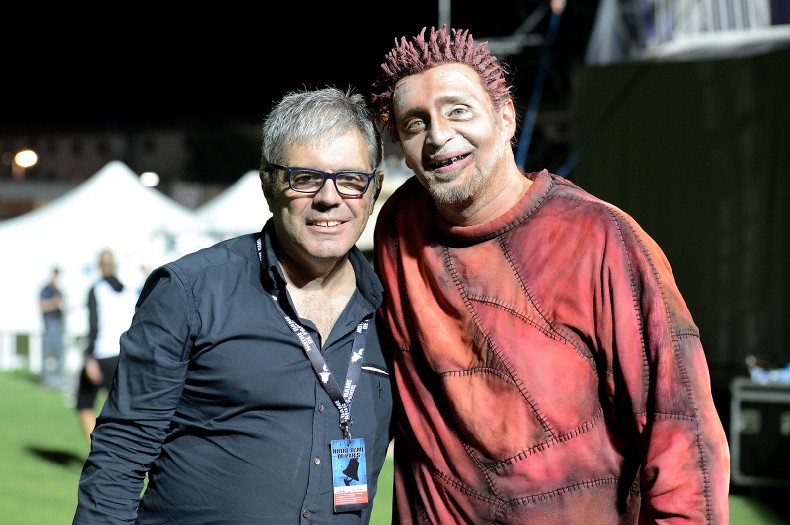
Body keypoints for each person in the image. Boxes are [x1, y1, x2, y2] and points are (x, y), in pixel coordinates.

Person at [370, 26, 730, 524]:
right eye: (415, 122)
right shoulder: (398, 229)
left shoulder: (600, 240)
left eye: (459, 110)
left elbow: (681, 427)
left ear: (505, 117)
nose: (438, 135)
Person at [73, 87, 393, 524]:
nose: (329, 197)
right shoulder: (190, 292)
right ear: (268, 185)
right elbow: (119, 460)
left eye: (351, 179)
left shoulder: (397, 312)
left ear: (374, 189)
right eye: (304, 178)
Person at [75, 248, 137, 445]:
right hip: (124, 355)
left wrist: (89, 357)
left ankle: (97, 450)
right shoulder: (129, 292)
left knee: (84, 405)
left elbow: (94, 326)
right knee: (121, 409)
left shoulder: (96, 290)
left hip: (101, 355)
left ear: (100, 267)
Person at [39, 266, 66, 389]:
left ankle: (58, 378)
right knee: (46, 351)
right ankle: (43, 378)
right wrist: (54, 303)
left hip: (58, 324)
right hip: (50, 324)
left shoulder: (58, 290)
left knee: (59, 352)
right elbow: (42, 306)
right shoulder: (46, 290)